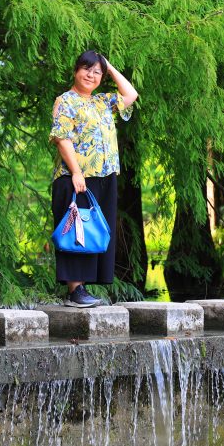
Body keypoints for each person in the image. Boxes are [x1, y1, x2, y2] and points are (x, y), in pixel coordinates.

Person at [49, 50, 139, 307]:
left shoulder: (102, 101)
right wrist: (76, 172)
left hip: (104, 176)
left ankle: (83, 289)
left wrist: (109, 67)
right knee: (77, 231)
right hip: (76, 176)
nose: (91, 75)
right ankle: (74, 291)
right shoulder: (65, 101)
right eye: (86, 69)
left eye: (97, 72)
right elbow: (62, 138)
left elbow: (131, 95)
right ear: (76, 70)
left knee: (94, 230)